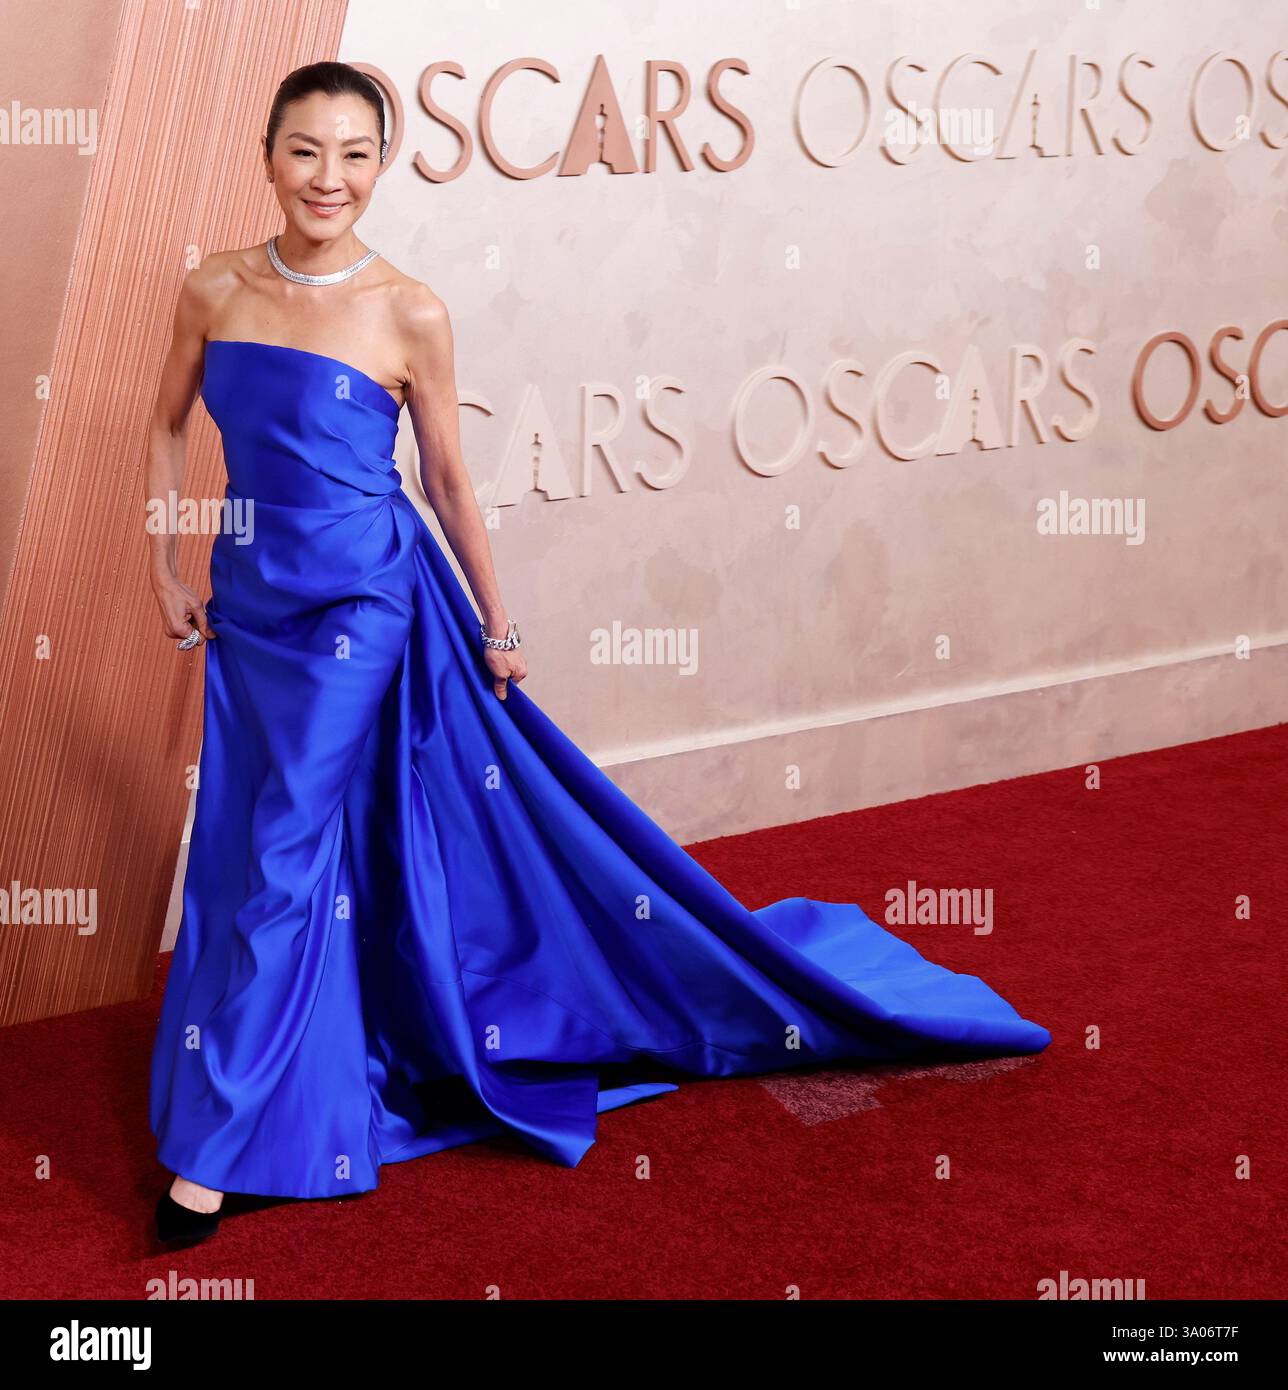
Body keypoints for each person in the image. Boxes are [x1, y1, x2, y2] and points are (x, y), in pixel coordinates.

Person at [147, 62, 1051, 1246]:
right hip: (251, 598)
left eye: (356, 153)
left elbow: (450, 478)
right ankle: (311, 1068)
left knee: (280, 845)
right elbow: (164, 426)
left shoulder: (409, 307)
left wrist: (496, 621)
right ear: (267, 156)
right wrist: (164, 567)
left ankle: (216, 1150)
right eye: (307, 151)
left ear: (385, 162)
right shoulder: (211, 288)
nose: (331, 177)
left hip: (365, 602)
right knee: (248, 847)